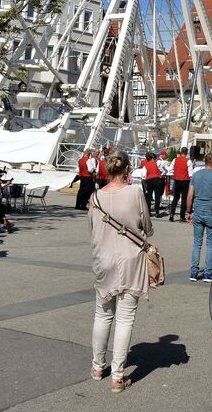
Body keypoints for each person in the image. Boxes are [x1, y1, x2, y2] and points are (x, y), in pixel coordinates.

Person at [88, 149, 152, 393]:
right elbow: (146, 224)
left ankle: (97, 366)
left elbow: (91, 228)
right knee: (125, 318)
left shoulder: (95, 197)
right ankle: (117, 376)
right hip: (131, 260)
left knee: (102, 315)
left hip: (104, 260)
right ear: (127, 169)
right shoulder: (135, 192)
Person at [186, 153, 212, 282]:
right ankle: (208, 273)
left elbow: (190, 195)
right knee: (210, 244)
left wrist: (188, 211)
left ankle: (193, 272)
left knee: (197, 243)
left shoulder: (196, 175)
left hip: (198, 211)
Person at [169, 146, 192, 222]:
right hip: (185, 181)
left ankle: (172, 214)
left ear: (181, 152)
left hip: (177, 180)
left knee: (175, 198)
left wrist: (175, 174)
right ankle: (182, 216)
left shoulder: (175, 160)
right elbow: (190, 174)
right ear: (187, 153)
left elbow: (170, 169)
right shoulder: (188, 161)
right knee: (184, 199)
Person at [141, 152, 164, 217]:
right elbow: (162, 169)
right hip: (157, 179)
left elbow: (143, 176)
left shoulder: (146, 166)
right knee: (157, 197)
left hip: (149, 180)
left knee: (149, 197)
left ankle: (149, 212)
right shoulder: (157, 163)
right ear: (152, 158)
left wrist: (145, 184)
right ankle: (157, 212)